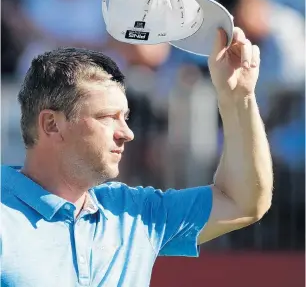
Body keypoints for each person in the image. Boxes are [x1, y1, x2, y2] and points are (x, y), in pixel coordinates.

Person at [1, 27, 273, 287]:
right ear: (51, 124)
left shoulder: (135, 212)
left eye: (126, 117)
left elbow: (242, 201)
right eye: (108, 117)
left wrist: (238, 97)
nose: (127, 133)